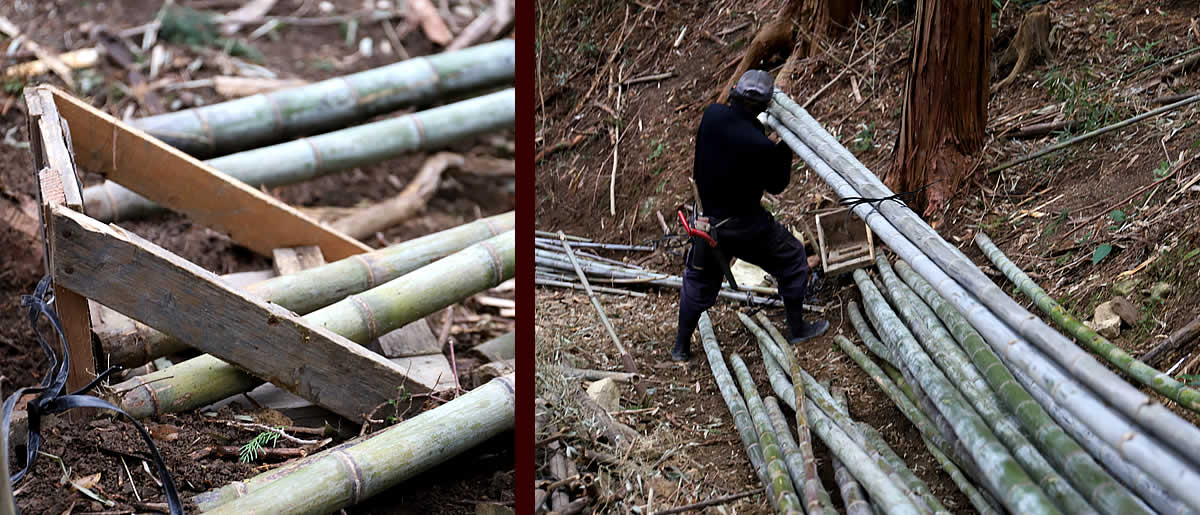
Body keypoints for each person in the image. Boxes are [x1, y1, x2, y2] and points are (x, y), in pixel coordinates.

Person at [672, 69, 829, 361]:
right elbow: (778, 184)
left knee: (698, 279)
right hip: (744, 225)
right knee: (793, 257)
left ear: (734, 94)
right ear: (762, 107)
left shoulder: (712, 115)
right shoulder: (760, 147)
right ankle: (797, 329)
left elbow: (737, 140)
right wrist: (783, 149)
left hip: (707, 221)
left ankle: (680, 347)